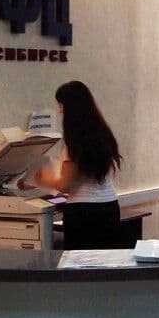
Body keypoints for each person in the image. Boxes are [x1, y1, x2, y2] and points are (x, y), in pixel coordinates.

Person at [35, 81, 123, 250]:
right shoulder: (103, 135)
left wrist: (41, 179)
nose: (59, 111)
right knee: (104, 260)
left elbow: (65, 186)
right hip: (109, 207)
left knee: (79, 262)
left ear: (70, 108)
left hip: (83, 211)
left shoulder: (75, 143)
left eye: (61, 105)